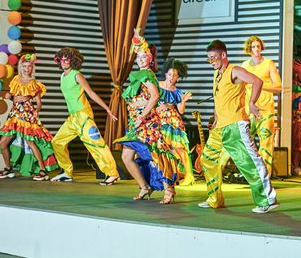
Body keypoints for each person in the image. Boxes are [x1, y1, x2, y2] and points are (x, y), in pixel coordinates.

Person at [199, 40, 278, 213]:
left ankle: (267, 199)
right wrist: (215, 117)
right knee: (207, 159)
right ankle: (215, 199)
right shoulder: (217, 74)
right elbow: (219, 98)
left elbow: (257, 82)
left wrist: (252, 102)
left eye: (213, 57)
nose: (211, 61)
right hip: (220, 127)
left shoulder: (234, 70)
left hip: (235, 125)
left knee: (249, 162)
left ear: (223, 55)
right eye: (208, 58)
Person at [115, 30, 177, 203]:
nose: (140, 59)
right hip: (136, 123)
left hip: (147, 123)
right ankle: (144, 187)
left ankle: (169, 189)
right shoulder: (139, 76)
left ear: (150, 59)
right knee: (126, 157)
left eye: (144, 57)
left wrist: (142, 115)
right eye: (138, 57)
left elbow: (155, 96)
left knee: (155, 155)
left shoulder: (147, 74)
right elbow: (146, 97)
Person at [49, 47, 120, 184]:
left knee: (96, 144)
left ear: (73, 61)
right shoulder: (62, 76)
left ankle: (112, 173)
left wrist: (107, 109)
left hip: (83, 116)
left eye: (67, 59)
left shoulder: (77, 75)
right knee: (57, 142)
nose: (63, 62)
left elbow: (91, 93)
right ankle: (67, 172)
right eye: (61, 59)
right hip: (72, 117)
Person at [0, 54, 58, 180]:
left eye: (29, 66)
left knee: (30, 141)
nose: (27, 69)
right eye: (24, 66)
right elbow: (13, 97)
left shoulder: (34, 83)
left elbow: (39, 103)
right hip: (14, 113)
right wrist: (9, 96)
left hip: (26, 112)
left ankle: (43, 170)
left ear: (32, 68)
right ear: (20, 67)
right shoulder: (15, 79)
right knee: (3, 142)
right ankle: (8, 169)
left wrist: (36, 111)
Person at [241, 35, 282, 174]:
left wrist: (260, 85)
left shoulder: (268, 63)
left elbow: (279, 87)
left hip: (265, 109)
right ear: (249, 49)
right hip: (249, 110)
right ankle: (250, 173)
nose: (256, 49)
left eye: (258, 46)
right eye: (253, 47)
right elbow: (240, 88)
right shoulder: (245, 65)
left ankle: (265, 175)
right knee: (245, 141)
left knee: (266, 142)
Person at [157, 58, 195, 186]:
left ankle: (189, 176)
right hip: (158, 120)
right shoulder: (157, 86)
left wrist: (183, 101)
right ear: (165, 74)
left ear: (178, 78)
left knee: (180, 149)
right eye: (169, 74)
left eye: (174, 75)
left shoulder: (177, 92)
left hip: (172, 121)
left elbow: (181, 111)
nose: (171, 77)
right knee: (161, 148)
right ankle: (166, 174)